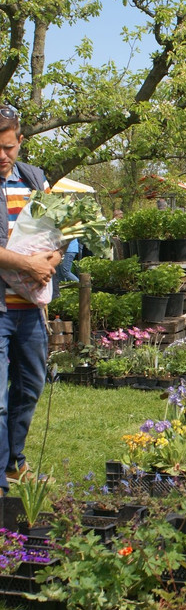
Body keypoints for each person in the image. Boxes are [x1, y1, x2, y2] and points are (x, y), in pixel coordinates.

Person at [0, 105, 62, 495]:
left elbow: (61, 232)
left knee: (28, 387)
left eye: (8, 148)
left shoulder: (35, 179)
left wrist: (50, 261)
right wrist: (27, 262)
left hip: (30, 308)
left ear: (20, 141)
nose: (2, 157)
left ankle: (13, 463)